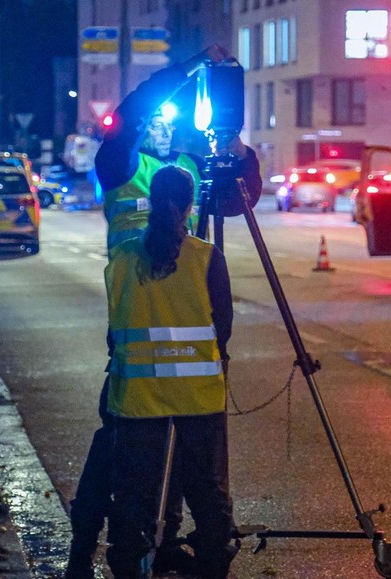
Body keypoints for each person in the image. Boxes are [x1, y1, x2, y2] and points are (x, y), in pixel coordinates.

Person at [66, 46, 261, 579]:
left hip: (164, 335)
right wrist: (184, 72)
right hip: (136, 325)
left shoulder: (188, 170)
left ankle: (160, 542)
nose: (160, 126)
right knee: (117, 455)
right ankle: (87, 547)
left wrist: (235, 143)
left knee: (135, 458)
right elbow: (128, 119)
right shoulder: (123, 166)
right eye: (155, 120)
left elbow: (242, 198)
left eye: (166, 121)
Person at [104, 166, 237, 579]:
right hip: (198, 397)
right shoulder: (207, 257)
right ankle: (212, 563)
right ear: (190, 204)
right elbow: (223, 328)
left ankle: (132, 563)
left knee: (134, 490)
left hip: (137, 399)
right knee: (206, 488)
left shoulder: (122, 257)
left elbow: (114, 328)